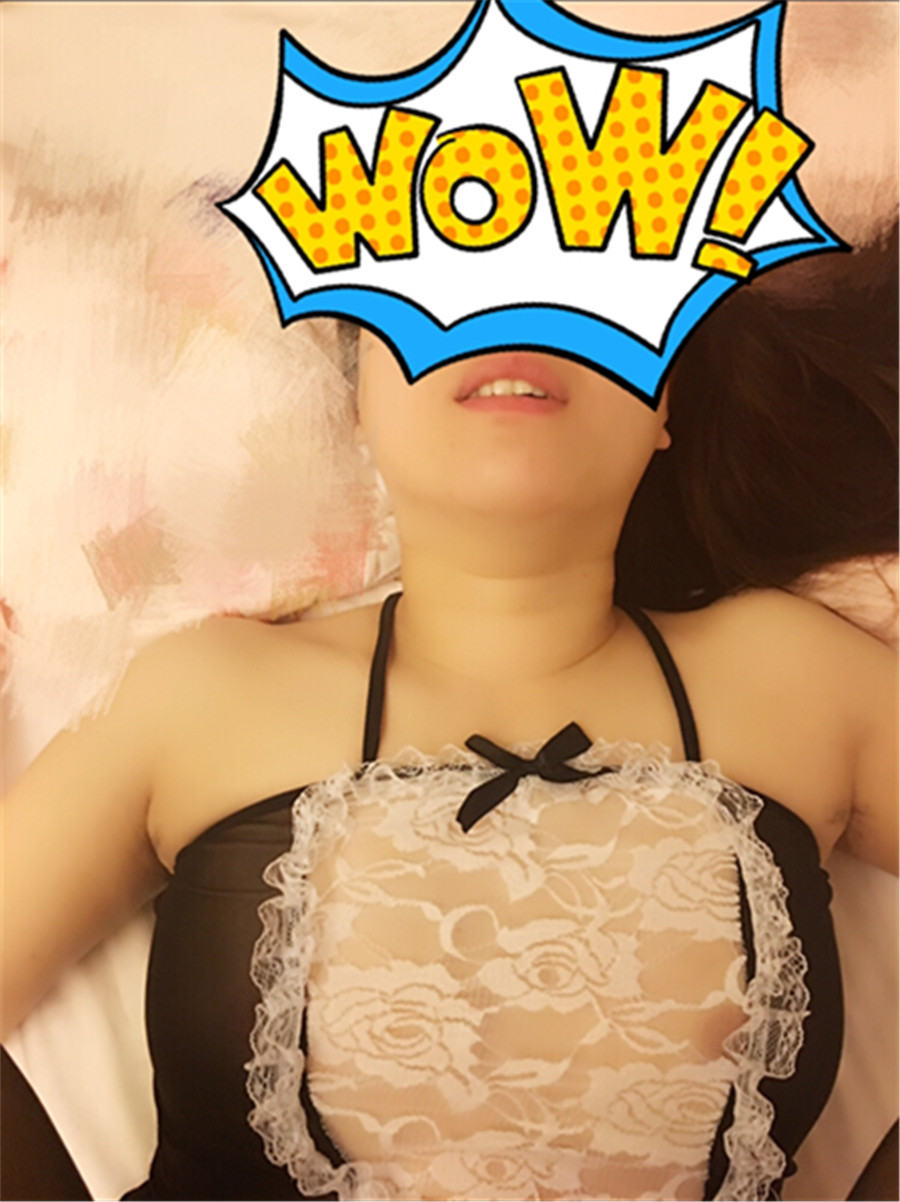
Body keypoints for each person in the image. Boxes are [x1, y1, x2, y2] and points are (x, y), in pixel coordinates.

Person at [2, 206, 897, 1201]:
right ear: (358, 403)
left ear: (663, 404)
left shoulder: (800, 678)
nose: (511, 317)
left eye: (584, 295)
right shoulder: (198, 690)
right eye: (438, 286)